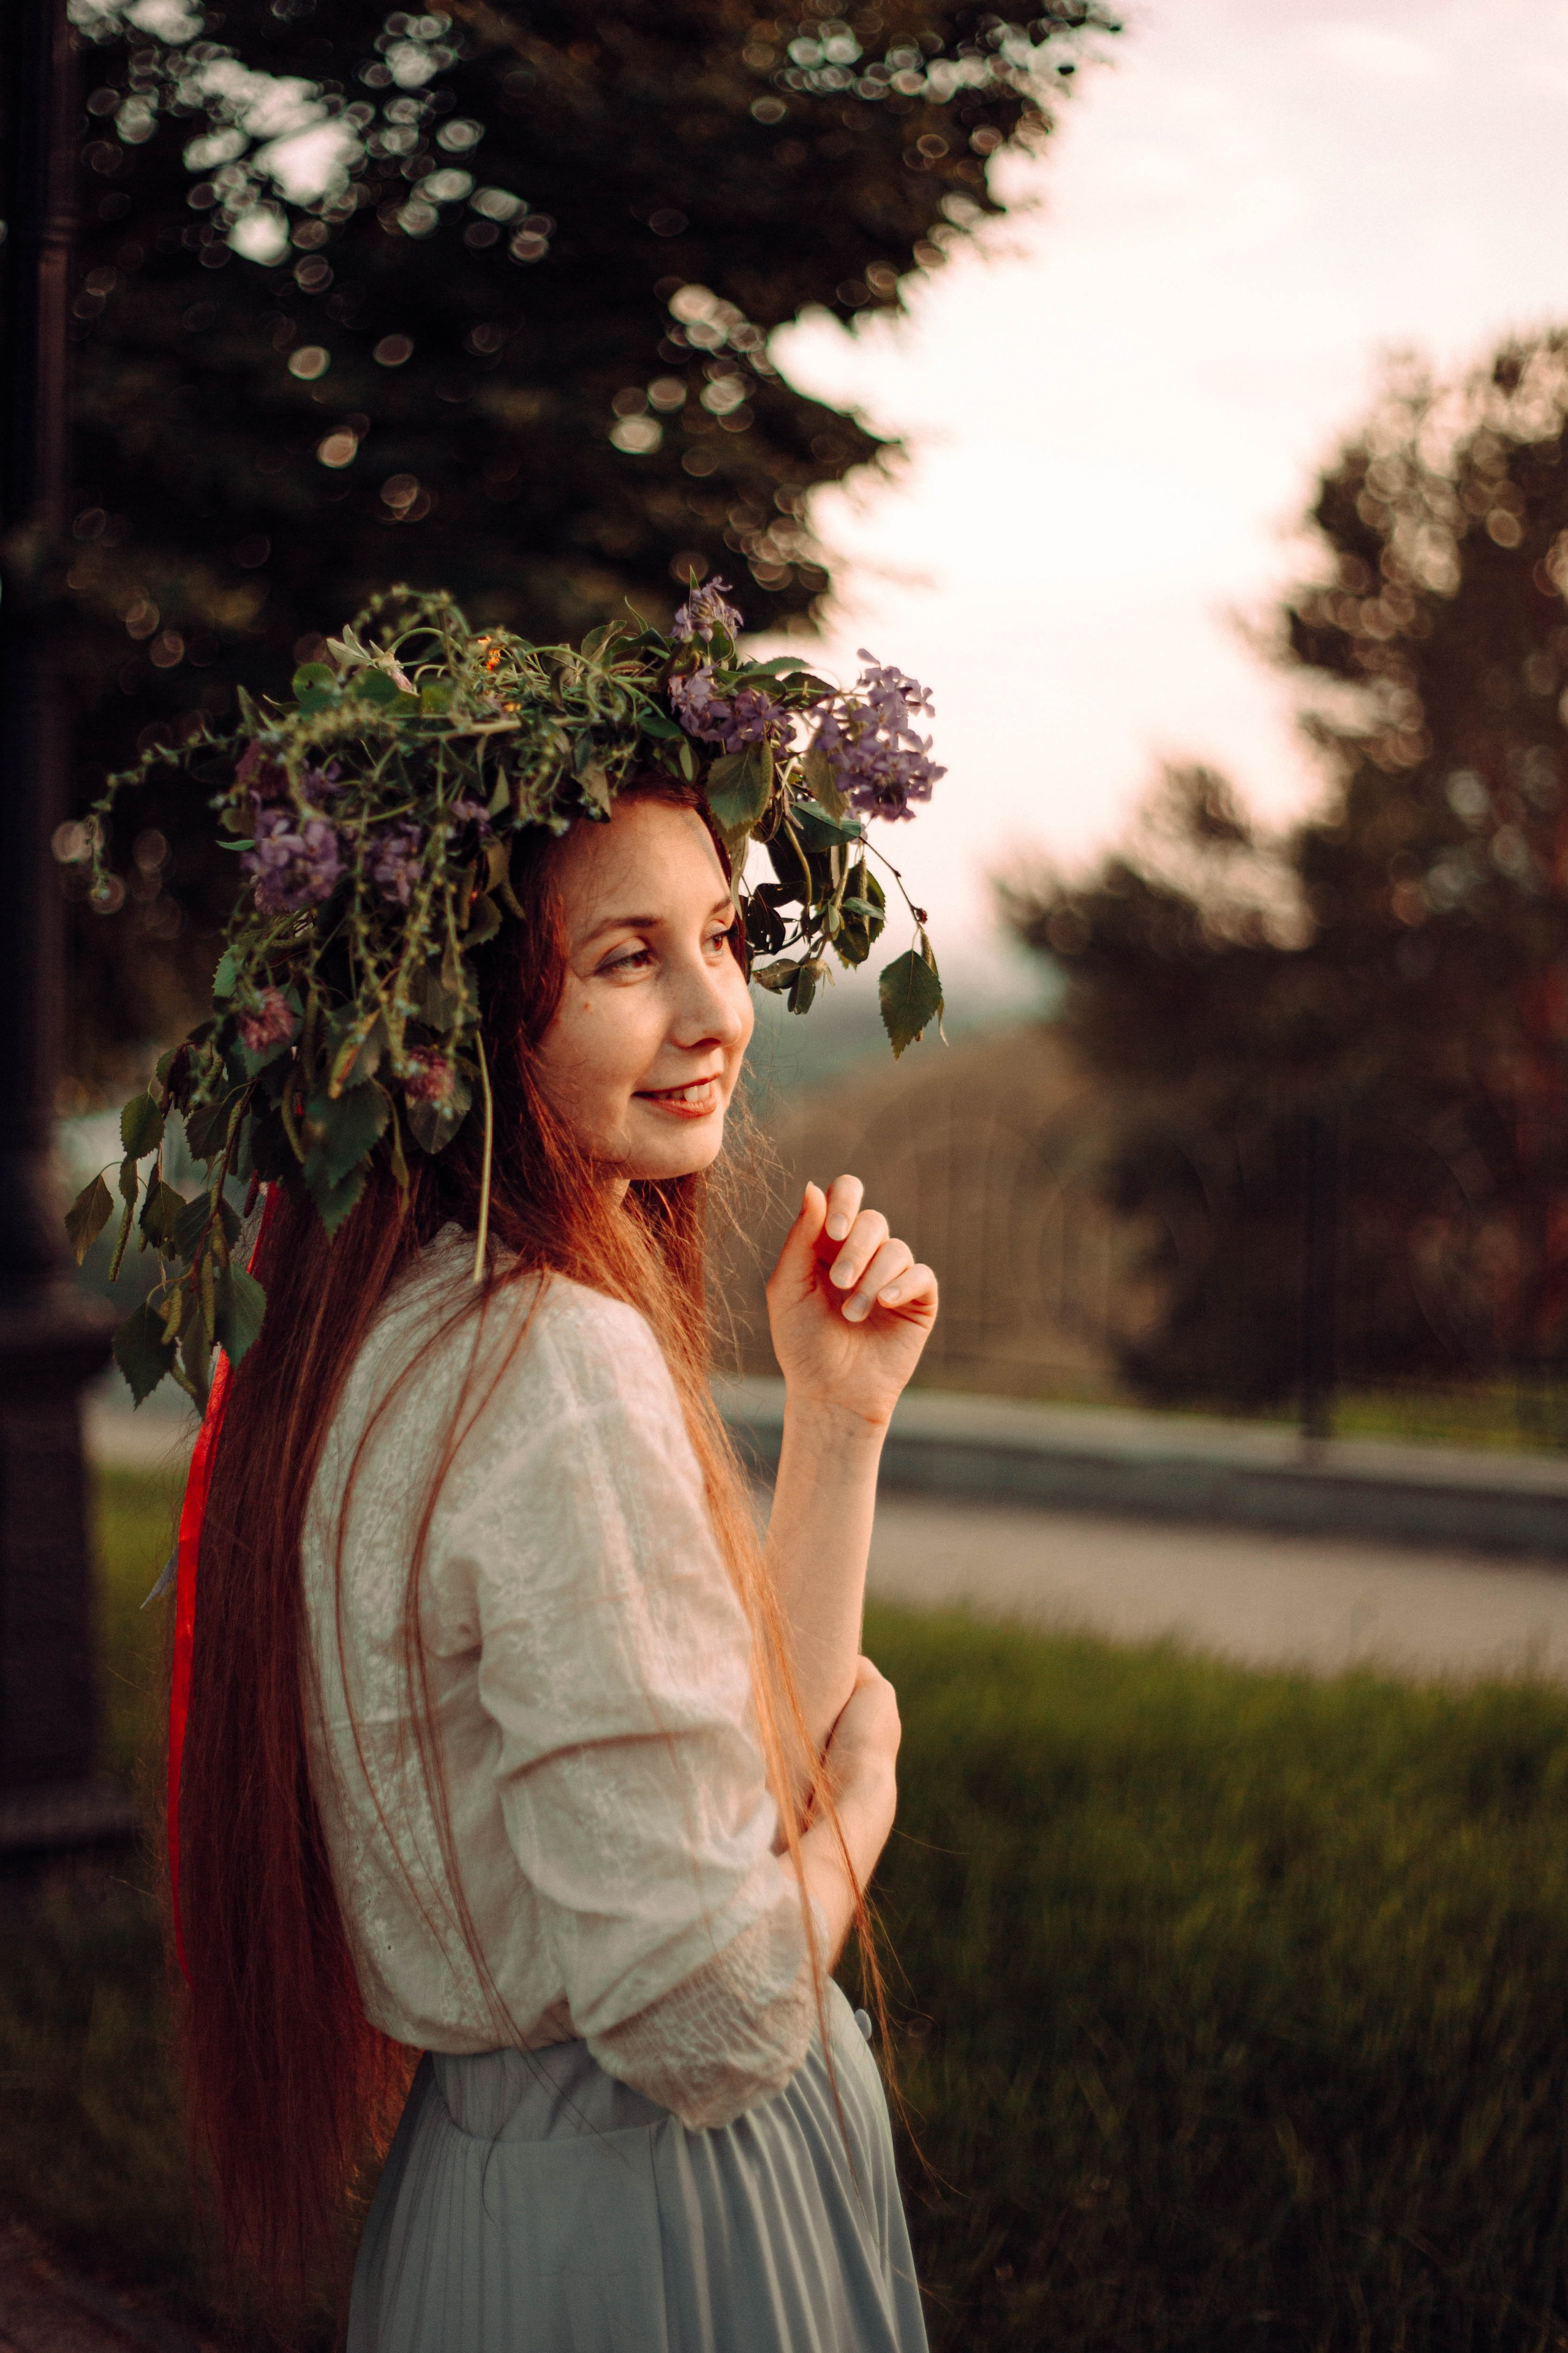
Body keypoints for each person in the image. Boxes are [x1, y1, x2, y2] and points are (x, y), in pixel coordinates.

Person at [178, 777, 940, 2351]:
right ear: (463, 1019)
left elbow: (716, 1807)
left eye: (719, 938)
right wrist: (866, 1784)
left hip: (486, 2201)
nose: (714, 1009)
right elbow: (710, 2015)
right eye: (621, 960)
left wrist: (837, 1419)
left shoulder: (383, 1329)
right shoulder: (551, 1359)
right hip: (662, 2223)